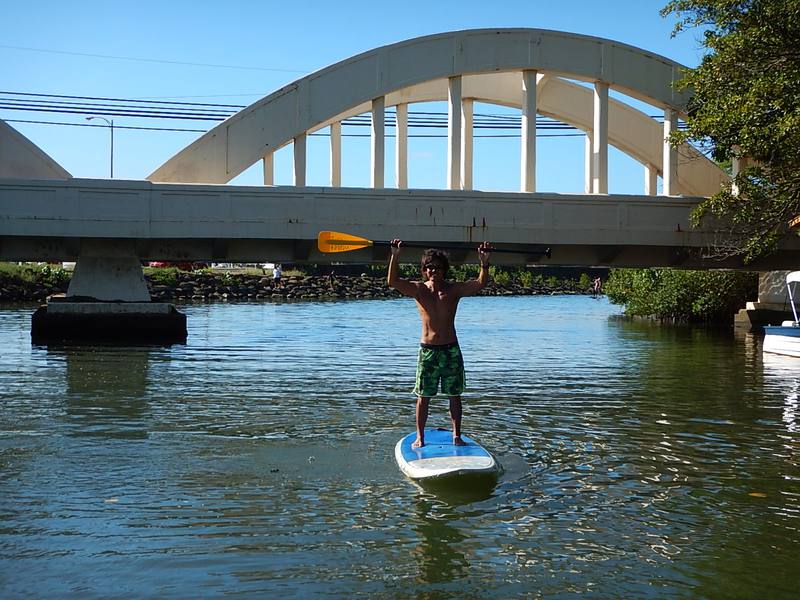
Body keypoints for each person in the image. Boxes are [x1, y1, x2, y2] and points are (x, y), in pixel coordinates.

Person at [388, 239, 491, 448]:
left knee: (455, 395)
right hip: (428, 351)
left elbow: (479, 283)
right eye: (430, 267)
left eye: (438, 267)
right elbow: (392, 281)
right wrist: (395, 256)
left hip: (450, 349)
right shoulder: (419, 290)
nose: (434, 270)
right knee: (423, 396)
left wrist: (484, 263)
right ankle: (420, 437)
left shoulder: (453, 290)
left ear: (444, 270)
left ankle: (456, 435)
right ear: (424, 270)